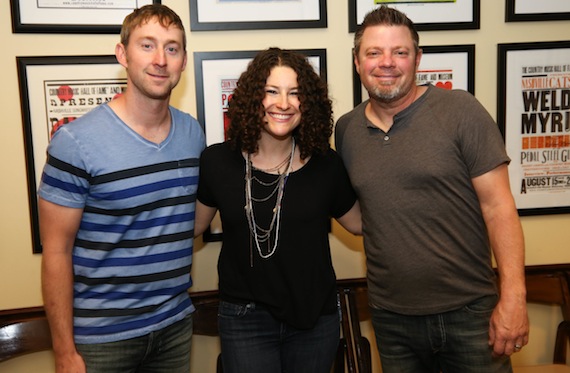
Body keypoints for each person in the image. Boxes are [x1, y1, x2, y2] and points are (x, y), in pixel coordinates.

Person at [335, 5, 529, 373]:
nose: (386, 62)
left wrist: (514, 296)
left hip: (471, 313)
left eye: (400, 52)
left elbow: (499, 208)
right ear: (358, 61)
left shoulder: (460, 111)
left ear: (418, 58)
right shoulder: (347, 130)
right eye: (374, 52)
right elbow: (364, 216)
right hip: (391, 319)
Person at [38, 4, 205, 373]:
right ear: (122, 54)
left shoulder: (193, 134)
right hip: (102, 341)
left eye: (172, 48)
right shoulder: (75, 142)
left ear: (183, 61)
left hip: (174, 327)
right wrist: (64, 352)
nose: (160, 59)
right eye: (147, 45)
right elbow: (56, 251)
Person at [194, 47, 362, 373]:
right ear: (251, 97)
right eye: (271, 91)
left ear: (307, 103)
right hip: (244, 320)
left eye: (294, 93)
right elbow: (192, 226)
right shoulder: (217, 161)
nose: (283, 103)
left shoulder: (326, 164)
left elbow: (359, 223)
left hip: (316, 319)